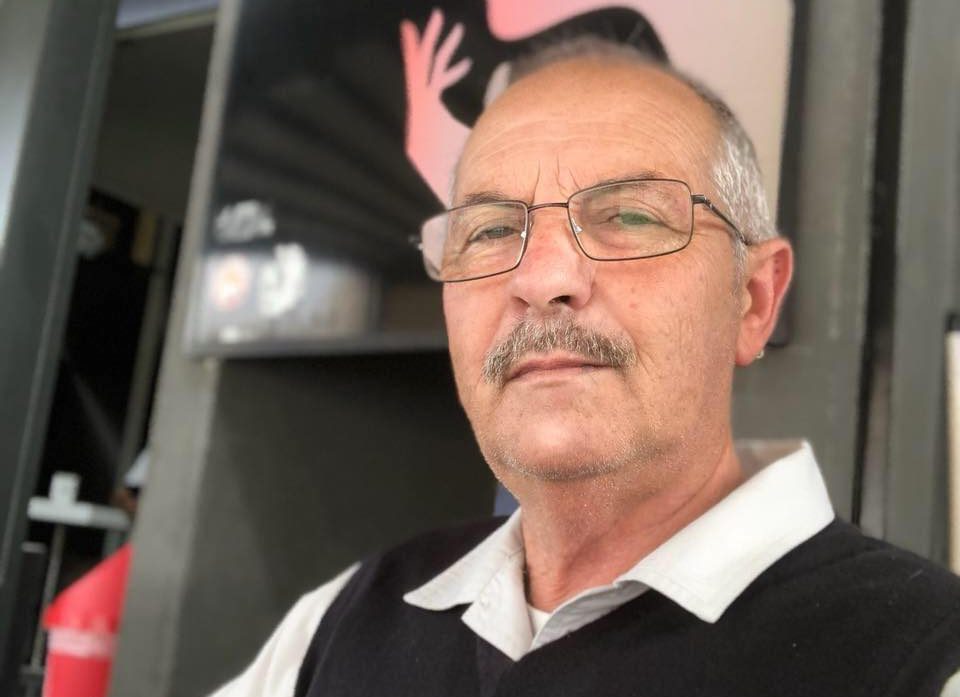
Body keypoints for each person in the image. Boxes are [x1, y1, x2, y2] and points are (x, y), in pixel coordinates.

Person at [211, 38, 960, 697]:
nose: (541, 279)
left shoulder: (926, 661)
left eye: (629, 216)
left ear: (753, 299)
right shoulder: (338, 626)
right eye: (491, 230)